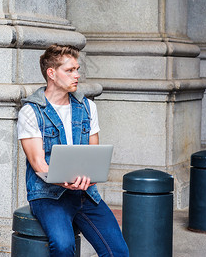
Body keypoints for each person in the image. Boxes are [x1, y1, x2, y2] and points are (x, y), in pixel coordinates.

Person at [17, 44, 129, 257]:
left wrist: (91, 176)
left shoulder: (87, 107)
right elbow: (38, 163)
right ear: (51, 73)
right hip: (48, 196)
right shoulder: (31, 112)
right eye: (69, 70)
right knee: (63, 245)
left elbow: (93, 155)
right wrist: (63, 181)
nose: (76, 75)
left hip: (85, 193)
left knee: (118, 251)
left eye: (77, 69)